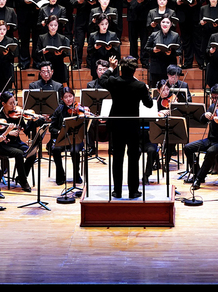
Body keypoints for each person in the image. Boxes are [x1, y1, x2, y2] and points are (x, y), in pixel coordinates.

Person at [98, 56, 153, 199]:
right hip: (132, 126)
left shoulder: (114, 81)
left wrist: (111, 67)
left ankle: (117, 191)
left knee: (117, 158)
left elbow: (102, 79)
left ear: (121, 69)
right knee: (133, 158)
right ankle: (133, 191)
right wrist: (147, 91)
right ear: (134, 70)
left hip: (116, 125)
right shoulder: (139, 86)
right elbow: (149, 104)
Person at [183, 84, 218, 190]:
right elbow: (202, 121)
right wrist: (205, 115)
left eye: (216, 97)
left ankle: (199, 178)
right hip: (211, 140)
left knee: (211, 152)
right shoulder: (212, 107)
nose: (214, 100)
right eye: (212, 97)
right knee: (187, 148)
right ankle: (197, 173)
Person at [0, 91, 40, 192]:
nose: (14, 106)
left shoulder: (16, 115)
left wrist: (32, 121)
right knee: (18, 153)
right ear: (3, 104)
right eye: (11, 103)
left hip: (16, 143)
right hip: (3, 146)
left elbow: (27, 130)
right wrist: (8, 133)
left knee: (32, 153)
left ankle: (21, 176)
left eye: (14, 102)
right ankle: (23, 182)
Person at [48, 86, 87, 185]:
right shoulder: (59, 110)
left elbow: (84, 125)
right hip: (62, 138)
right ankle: (60, 174)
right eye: (65, 97)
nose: (68, 99)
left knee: (75, 151)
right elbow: (51, 128)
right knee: (55, 150)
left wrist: (85, 115)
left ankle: (76, 174)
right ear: (62, 99)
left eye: (70, 96)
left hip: (76, 138)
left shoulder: (79, 108)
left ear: (74, 96)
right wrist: (59, 132)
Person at [170, 0, 206, 69]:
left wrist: (197, 1)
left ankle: (200, 61)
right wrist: (177, 1)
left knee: (198, 40)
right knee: (186, 40)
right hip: (182, 14)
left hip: (195, 14)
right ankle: (188, 62)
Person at [13, 0, 48, 69]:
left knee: (37, 41)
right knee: (24, 40)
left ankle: (37, 62)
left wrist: (41, 5)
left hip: (38, 15)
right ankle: (24, 62)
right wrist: (24, 0)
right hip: (24, 15)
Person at [122, 0, 153, 67]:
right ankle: (133, 59)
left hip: (144, 14)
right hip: (132, 14)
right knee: (132, 40)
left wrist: (143, 0)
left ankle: (145, 60)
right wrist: (127, 0)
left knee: (145, 39)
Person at [70, 0, 103, 69]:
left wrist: (96, 2)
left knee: (92, 42)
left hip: (93, 19)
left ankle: (91, 63)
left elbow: (103, 2)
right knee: (78, 42)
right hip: (81, 18)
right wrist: (78, 2)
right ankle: (77, 62)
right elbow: (71, 2)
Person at [144, 14, 182, 87]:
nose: (165, 24)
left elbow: (179, 51)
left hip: (170, 67)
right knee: (155, 89)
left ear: (171, 24)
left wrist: (171, 53)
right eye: (163, 22)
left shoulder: (176, 35)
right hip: (156, 67)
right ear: (160, 23)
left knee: (169, 90)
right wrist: (153, 50)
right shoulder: (154, 34)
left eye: (167, 23)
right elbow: (146, 48)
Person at [36, 15, 71, 85]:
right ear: (48, 25)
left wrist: (61, 53)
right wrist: (43, 51)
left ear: (58, 26)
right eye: (51, 25)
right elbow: (36, 52)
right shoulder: (42, 37)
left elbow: (67, 53)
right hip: (46, 64)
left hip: (58, 64)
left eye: (55, 25)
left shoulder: (62, 38)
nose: (53, 27)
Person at [87, 13, 121, 81]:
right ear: (98, 24)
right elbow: (89, 51)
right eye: (102, 24)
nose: (104, 26)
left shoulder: (113, 35)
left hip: (109, 61)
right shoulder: (93, 35)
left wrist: (111, 48)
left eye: (106, 24)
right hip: (97, 62)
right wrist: (95, 48)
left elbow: (117, 52)